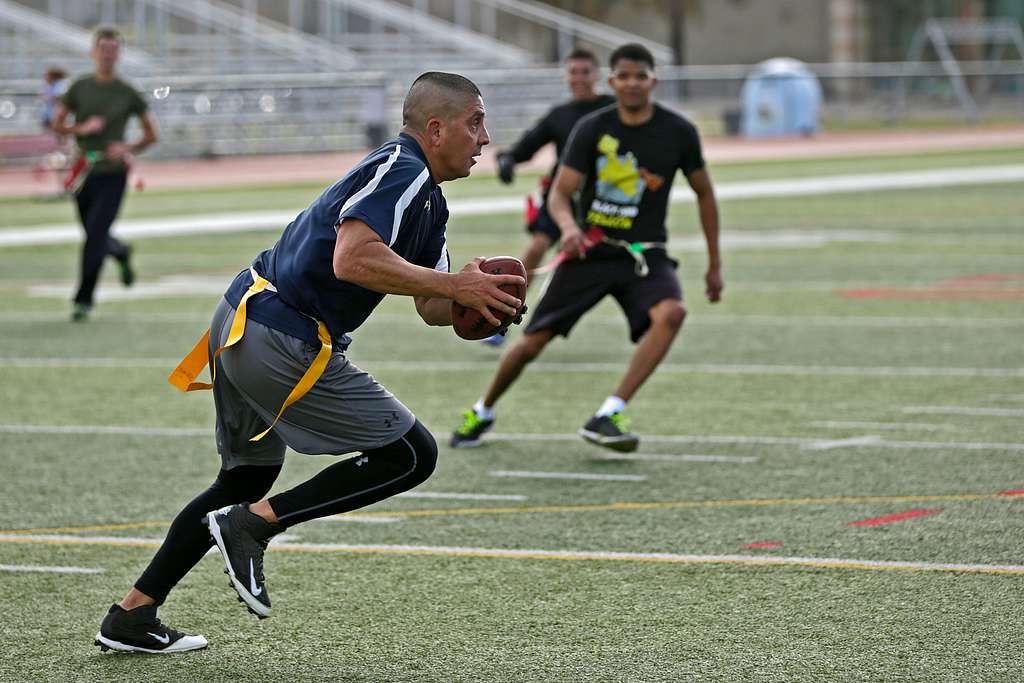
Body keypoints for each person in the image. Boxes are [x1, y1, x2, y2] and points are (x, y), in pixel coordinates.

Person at [93, 71, 525, 654]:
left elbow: (429, 305)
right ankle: (253, 525)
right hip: (279, 333)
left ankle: (132, 614)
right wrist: (456, 283)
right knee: (409, 454)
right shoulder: (403, 169)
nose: (485, 138)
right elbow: (353, 259)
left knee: (244, 478)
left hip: (245, 317)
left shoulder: (426, 197)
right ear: (436, 127)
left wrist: (475, 300)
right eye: (475, 122)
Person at [451, 43, 723, 452]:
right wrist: (568, 228)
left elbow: (704, 193)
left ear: (654, 80)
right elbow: (560, 194)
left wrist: (715, 265)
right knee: (531, 342)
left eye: (640, 76)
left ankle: (610, 412)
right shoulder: (593, 127)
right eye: (624, 76)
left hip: (643, 254)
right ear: (612, 81)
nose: (632, 83)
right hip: (589, 252)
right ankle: (482, 410)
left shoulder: (678, 132)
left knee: (673, 313)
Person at [482, 47, 615, 347]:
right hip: (562, 198)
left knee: (617, 260)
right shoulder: (560, 116)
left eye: (585, 72)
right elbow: (527, 146)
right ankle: (499, 321)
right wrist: (508, 159)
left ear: (597, 75)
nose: (579, 78)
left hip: (605, 202)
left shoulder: (614, 110)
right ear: (566, 77)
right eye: (573, 72)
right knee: (536, 249)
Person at [51, 27, 158, 322]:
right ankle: (121, 251)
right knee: (94, 234)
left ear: (118, 53)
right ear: (93, 52)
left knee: (95, 235)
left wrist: (128, 147)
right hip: (84, 171)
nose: (108, 54)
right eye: (103, 48)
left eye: (113, 49)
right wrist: (80, 129)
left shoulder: (127, 92)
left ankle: (83, 299)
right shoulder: (80, 87)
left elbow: (151, 134)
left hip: (113, 174)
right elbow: (57, 124)